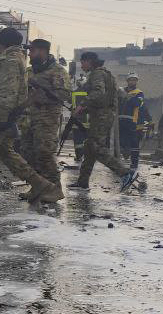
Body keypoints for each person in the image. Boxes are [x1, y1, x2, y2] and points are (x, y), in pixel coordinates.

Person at [0, 27, 62, 207]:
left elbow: (8, 91)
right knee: (6, 153)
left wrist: (1, 119)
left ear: (3, 43)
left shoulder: (9, 60)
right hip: (5, 115)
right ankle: (41, 184)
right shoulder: (11, 56)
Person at [70, 52, 138, 190]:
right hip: (103, 115)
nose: (81, 65)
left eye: (82, 62)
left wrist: (82, 105)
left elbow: (98, 93)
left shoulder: (97, 74)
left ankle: (125, 173)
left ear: (89, 61)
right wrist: (86, 109)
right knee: (90, 146)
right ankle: (83, 182)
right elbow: (106, 97)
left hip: (101, 116)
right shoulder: (106, 74)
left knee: (96, 147)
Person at [19, 40, 71, 199]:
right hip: (29, 119)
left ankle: (55, 189)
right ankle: (39, 187)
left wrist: (43, 90)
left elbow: (65, 95)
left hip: (47, 119)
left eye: (32, 51)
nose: (29, 54)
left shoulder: (57, 71)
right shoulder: (31, 71)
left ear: (42, 51)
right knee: (27, 152)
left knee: (44, 153)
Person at [118, 72, 151, 169]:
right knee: (121, 142)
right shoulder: (121, 91)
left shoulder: (139, 93)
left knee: (134, 143)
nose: (133, 82)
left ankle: (134, 164)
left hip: (132, 121)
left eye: (134, 80)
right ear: (127, 81)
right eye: (131, 80)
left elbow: (137, 103)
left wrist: (127, 96)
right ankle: (120, 161)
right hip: (120, 120)